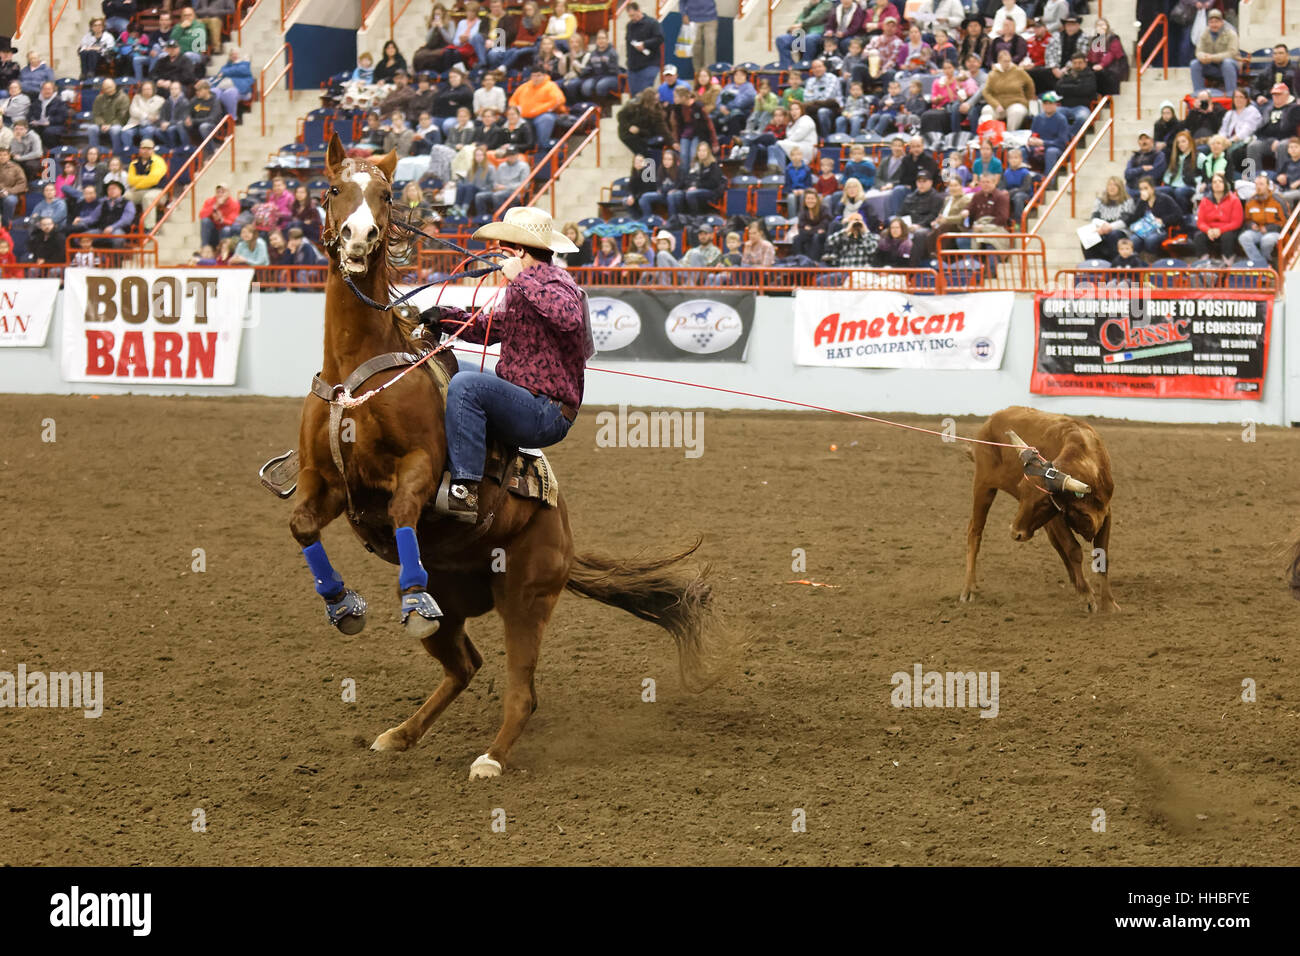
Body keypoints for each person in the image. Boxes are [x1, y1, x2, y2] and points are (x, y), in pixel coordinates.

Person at [424, 206, 588, 522]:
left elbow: (569, 318)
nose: (498, 257)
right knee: (450, 367)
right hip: (523, 397)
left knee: (465, 386)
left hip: (546, 411)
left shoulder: (556, 280)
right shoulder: (524, 288)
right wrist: (443, 316)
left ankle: (465, 487)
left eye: (503, 249)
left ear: (520, 252)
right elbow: (492, 327)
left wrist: (521, 277)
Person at [1238, 175, 1289, 269]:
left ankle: (1264, 263)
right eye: (1256, 184)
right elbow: (1247, 220)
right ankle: (1262, 265)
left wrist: (1268, 228)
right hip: (1257, 231)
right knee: (1244, 237)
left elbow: (1286, 223)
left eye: (1261, 184)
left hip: (1275, 232)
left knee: (1266, 240)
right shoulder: (1250, 201)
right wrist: (1251, 225)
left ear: (1268, 186)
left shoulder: (1278, 200)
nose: (1258, 187)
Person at [1125, 176, 1183, 256]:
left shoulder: (1164, 199)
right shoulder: (1142, 201)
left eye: (1146, 188)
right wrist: (1142, 202)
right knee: (1133, 240)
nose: (1143, 191)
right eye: (1141, 189)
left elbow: (1178, 215)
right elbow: (1136, 216)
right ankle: (1134, 261)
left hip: (1161, 229)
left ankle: (1154, 260)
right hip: (1145, 229)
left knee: (1150, 240)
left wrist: (1163, 220)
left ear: (1152, 188)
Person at [1193, 172, 1243, 262]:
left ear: (1225, 184)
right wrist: (1208, 230)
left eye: (1220, 182)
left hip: (1227, 230)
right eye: (1214, 182)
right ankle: (1203, 263)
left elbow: (1236, 222)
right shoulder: (1205, 200)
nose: (1217, 184)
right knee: (1198, 236)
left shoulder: (1234, 200)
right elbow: (1200, 222)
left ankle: (1228, 262)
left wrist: (1220, 230)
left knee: (1227, 236)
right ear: (1211, 185)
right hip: (1211, 230)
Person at [1190, 9, 1237, 95]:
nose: (1214, 24)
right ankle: (1199, 93)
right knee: (1194, 64)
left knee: (1227, 63)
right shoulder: (1204, 33)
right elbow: (1198, 51)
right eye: (1211, 22)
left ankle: (1231, 94)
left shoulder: (1231, 33)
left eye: (1216, 22)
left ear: (1222, 22)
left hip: (1230, 66)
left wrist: (1212, 58)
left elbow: (1232, 53)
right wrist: (1202, 57)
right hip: (1211, 66)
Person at [126, 139, 168, 227]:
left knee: (148, 197)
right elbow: (130, 180)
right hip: (140, 191)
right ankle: (129, 223)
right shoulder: (134, 163)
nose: (146, 151)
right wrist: (145, 178)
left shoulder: (158, 161)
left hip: (158, 191)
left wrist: (137, 185)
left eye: (149, 148)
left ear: (153, 150)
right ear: (140, 149)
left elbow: (153, 180)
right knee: (126, 196)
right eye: (143, 148)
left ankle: (149, 227)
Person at [625, 3, 664, 95]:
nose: (632, 18)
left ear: (639, 10)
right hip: (633, 66)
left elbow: (659, 38)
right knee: (634, 95)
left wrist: (645, 44)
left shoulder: (652, 23)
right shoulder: (630, 26)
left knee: (645, 93)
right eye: (630, 16)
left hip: (649, 63)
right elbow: (628, 43)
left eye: (633, 15)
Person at [28, 80, 67, 149]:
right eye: (44, 89)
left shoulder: (59, 102)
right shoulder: (36, 102)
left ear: (53, 90)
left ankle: (50, 152)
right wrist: (33, 120)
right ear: (41, 90)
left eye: (49, 89)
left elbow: (61, 117)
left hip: (54, 125)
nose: (46, 91)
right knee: (28, 130)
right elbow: (30, 115)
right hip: (39, 125)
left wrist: (49, 122)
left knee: (48, 132)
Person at [200, 182, 239, 248]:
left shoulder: (234, 204)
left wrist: (221, 220)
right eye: (218, 192)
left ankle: (221, 252)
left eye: (223, 192)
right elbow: (202, 215)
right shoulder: (210, 201)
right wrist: (215, 206)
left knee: (226, 229)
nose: (220, 194)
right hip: (213, 229)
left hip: (224, 228)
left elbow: (232, 221)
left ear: (228, 193)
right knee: (205, 221)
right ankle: (204, 248)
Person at [0, 146, 26, 225]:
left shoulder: (16, 168)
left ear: (9, 156)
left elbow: (22, 184)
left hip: (10, 193)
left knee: (10, 200)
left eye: (5, 155)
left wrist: (8, 191)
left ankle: (6, 224)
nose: (2, 157)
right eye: (0, 155)